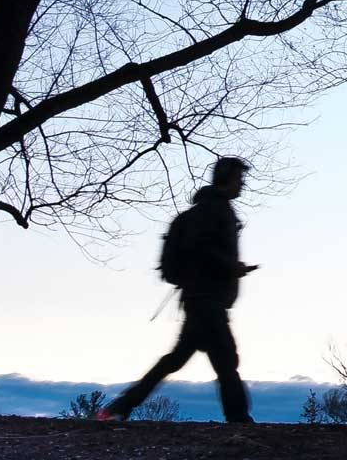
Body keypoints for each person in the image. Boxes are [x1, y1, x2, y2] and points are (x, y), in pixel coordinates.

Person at [100, 156, 258, 423]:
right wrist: (231, 267)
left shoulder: (207, 211)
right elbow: (203, 251)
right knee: (225, 359)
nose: (242, 185)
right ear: (228, 180)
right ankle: (238, 419)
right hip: (206, 299)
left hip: (200, 298)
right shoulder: (214, 211)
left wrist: (230, 267)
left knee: (178, 360)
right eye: (239, 179)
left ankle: (119, 407)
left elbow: (201, 251)